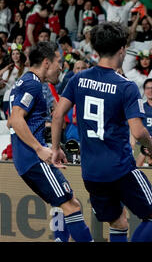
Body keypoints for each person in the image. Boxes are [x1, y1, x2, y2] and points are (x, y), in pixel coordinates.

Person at [51, 22, 152, 242]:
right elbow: (138, 132)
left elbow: (56, 115)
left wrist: (55, 148)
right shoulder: (126, 86)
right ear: (121, 49)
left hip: (91, 171)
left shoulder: (78, 79)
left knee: (118, 221)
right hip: (120, 168)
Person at [9, 41, 93, 242]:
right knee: (71, 205)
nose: (61, 67)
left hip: (27, 160)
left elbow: (12, 123)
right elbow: (15, 119)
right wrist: (39, 149)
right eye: (59, 62)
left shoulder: (23, 82)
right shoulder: (33, 84)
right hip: (33, 160)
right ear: (46, 63)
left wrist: (48, 147)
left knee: (62, 204)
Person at [2, 46, 28, 117]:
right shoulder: (8, 70)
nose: (15, 56)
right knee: (8, 123)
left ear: (21, 55)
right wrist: (5, 68)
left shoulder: (27, 69)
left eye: (17, 54)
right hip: (7, 98)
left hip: (21, 100)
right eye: (13, 54)